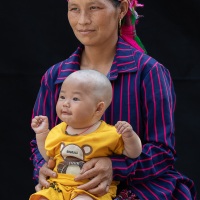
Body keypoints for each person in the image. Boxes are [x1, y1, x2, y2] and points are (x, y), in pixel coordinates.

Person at [30, 0, 197, 199]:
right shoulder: (55, 75)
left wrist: (114, 166)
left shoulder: (149, 72)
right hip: (68, 187)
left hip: (140, 186)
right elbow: (40, 142)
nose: (82, 20)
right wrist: (44, 168)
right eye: (74, 8)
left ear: (122, 9)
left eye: (94, 7)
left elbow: (163, 152)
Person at [29, 70, 142, 200]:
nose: (65, 103)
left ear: (98, 108)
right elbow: (48, 156)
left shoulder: (109, 133)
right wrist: (42, 133)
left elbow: (134, 153)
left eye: (75, 99)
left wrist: (129, 136)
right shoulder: (57, 130)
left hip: (90, 189)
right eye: (62, 97)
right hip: (58, 186)